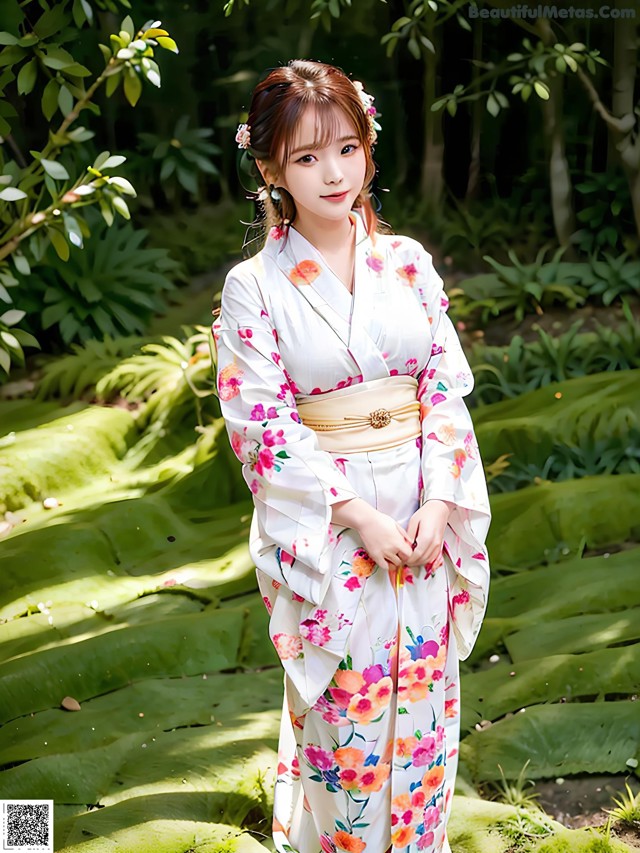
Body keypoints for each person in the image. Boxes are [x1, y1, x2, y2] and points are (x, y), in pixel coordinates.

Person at [212, 59, 491, 853]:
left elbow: (443, 388)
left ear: (368, 146)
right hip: (333, 524)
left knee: (428, 713)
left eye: (345, 148)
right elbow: (261, 424)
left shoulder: (407, 262)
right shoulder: (253, 287)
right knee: (349, 719)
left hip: (422, 507)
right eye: (305, 157)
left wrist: (440, 500)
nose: (332, 172)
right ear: (271, 169)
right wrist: (357, 515)